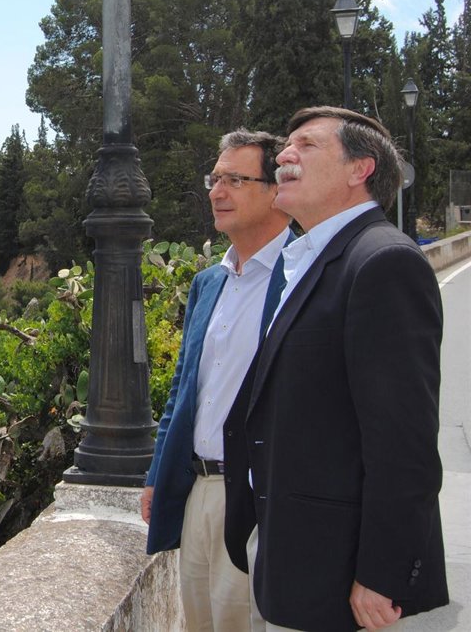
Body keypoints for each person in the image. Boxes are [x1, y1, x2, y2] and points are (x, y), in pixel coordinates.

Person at [223, 106, 447, 631]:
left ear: (360, 169)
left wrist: (382, 573)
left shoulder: (383, 262)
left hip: (344, 583)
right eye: (287, 144)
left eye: (307, 144)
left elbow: (405, 443)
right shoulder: (318, 260)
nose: (285, 154)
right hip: (296, 560)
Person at [143, 129, 293, 631]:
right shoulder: (208, 282)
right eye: (214, 179)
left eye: (235, 180)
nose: (216, 191)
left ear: (276, 190)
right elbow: (183, 390)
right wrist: (157, 474)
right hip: (198, 490)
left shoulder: (303, 278)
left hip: (258, 495)